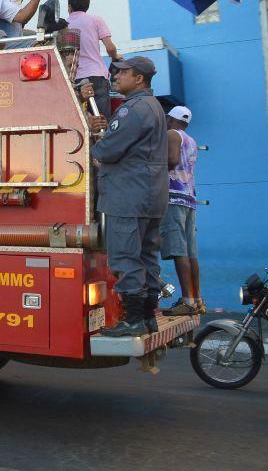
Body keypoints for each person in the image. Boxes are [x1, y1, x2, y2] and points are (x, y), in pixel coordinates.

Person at [91, 56, 169, 337]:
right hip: (149, 194)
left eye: (123, 73)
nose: (116, 76)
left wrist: (96, 144)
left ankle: (133, 319)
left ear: (139, 78)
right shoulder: (153, 106)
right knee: (147, 256)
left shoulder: (132, 110)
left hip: (128, 194)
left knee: (125, 256)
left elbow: (107, 151)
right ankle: (147, 316)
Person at [159, 106, 204, 316]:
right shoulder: (192, 140)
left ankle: (186, 301)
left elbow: (172, 161)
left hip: (173, 196)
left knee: (178, 251)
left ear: (170, 119)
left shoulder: (171, 134)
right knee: (190, 253)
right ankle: (197, 299)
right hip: (189, 198)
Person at [65, 0, 122, 117]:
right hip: (96, 76)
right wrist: (115, 57)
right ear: (87, 7)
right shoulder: (95, 20)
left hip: (74, 79)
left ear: (69, 7)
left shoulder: (63, 25)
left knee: (79, 117)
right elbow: (111, 48)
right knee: (101, 119)